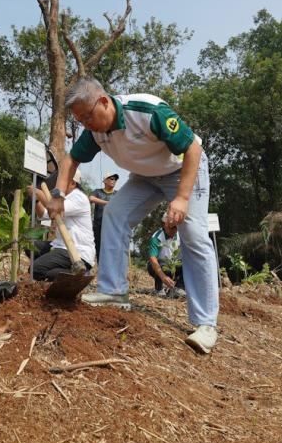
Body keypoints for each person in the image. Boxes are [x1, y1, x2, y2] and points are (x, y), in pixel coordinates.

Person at [48, 77, 220, 354]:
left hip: (183, 170)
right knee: (115, 213)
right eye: (80, 121)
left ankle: (205, 324)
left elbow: (193, 148)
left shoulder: (146, 111)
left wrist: (182, 198)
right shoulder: (94, 131)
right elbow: (70, 159)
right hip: (145, 177)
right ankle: (113, 291)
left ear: (104, 101)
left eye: (89, 116)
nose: (87, 125)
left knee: (193, 235)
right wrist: (57, 195)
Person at [27, 169, 95, 281]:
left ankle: (80, 275)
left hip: (78, 252)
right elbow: (44, 214)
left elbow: (54, 207)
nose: (58, 186)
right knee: (31, 246)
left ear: (73, 183)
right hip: (61, 246)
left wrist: (39, 193)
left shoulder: (78, 197)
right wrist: (36, 199)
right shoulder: (63, 199)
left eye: (62, 182)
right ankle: (53, 273)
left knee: (35, 270)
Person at [147, 212, 185, 297]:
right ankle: (159, 289)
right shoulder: (157, 237)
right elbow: (153, 259)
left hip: (173, 265)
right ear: (164, 225)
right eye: (171, 227)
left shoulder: (180, 235)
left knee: (188, 263)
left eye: (176, 227)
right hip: (158, 267)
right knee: (161, 263)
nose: (174, 230)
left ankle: (178, 288)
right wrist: (163, 277)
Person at [88, 171, 118, 262]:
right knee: (98, 247)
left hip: (112, 226)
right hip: (98, 225)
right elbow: (91, 198)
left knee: (111, 248)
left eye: (115, 179)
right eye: (111, 179)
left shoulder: (118, 194)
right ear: (105, 181)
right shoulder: (97, 192)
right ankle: (100, 268)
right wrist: (107, 203)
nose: (114, 181)